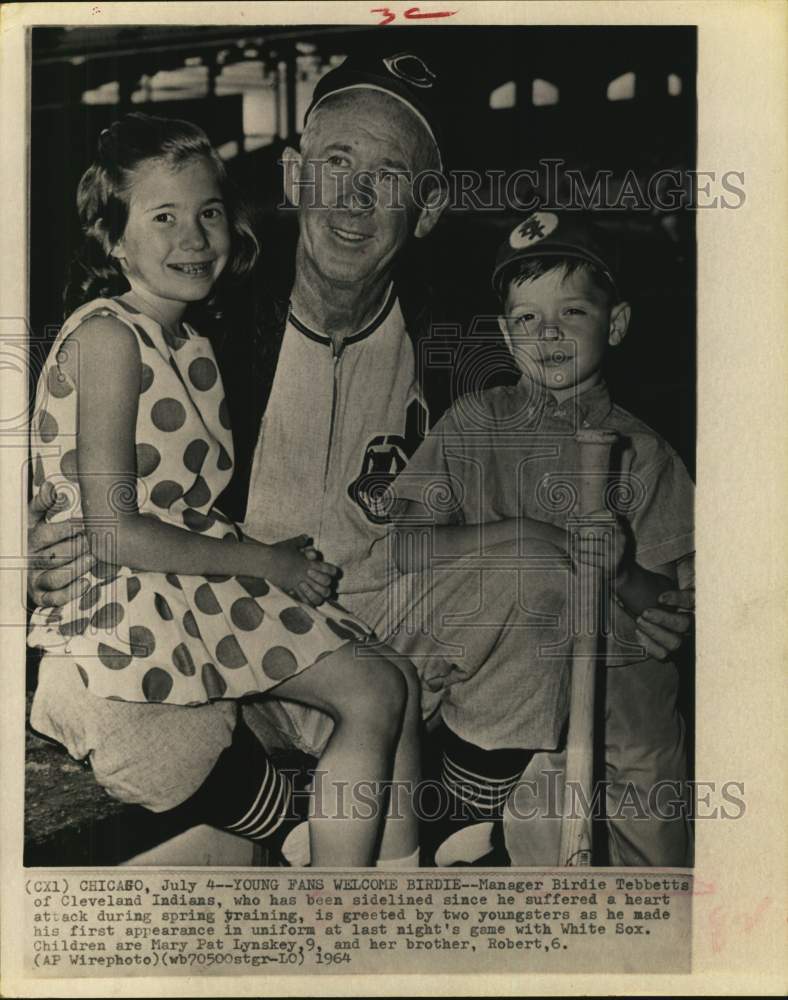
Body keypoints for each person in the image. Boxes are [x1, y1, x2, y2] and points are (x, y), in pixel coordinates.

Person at [27, 53, 695, 866]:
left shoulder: (462, 339)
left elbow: (584, 434)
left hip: (388, 642)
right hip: (222, 636)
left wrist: (640, 589)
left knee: (536, 582)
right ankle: (294, 822)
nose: (355, 198)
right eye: (337, 166)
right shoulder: (200, 306)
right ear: (295, 175)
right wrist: (31, 548)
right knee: (81, 688)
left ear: (428, 208)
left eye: (391, 175)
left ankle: (443, 813)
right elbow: (67, 456)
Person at [27, 112, 422, 869]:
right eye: (164, 217)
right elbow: (114, 530)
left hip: (183, 576)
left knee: (385, 682)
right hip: (127, 587)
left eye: (208, 213)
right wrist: (267, 564)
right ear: (113, 240)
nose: (194, 237)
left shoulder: (189, 339)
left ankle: (389, 892)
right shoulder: (109, 338)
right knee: (371, 691)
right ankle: (343, 911)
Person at [392, 211, 695, 865]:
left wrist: (620, 573)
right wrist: (526, 537)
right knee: (542, 880)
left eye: (573, 312)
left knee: (661, 891)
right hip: (526, 719)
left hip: (630, 712)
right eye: (527, 318)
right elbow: (408, 546)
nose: (548, 332)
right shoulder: (473, 423)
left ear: (614, 323)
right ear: (504, 332)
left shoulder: (645, 452)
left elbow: (670, 612)